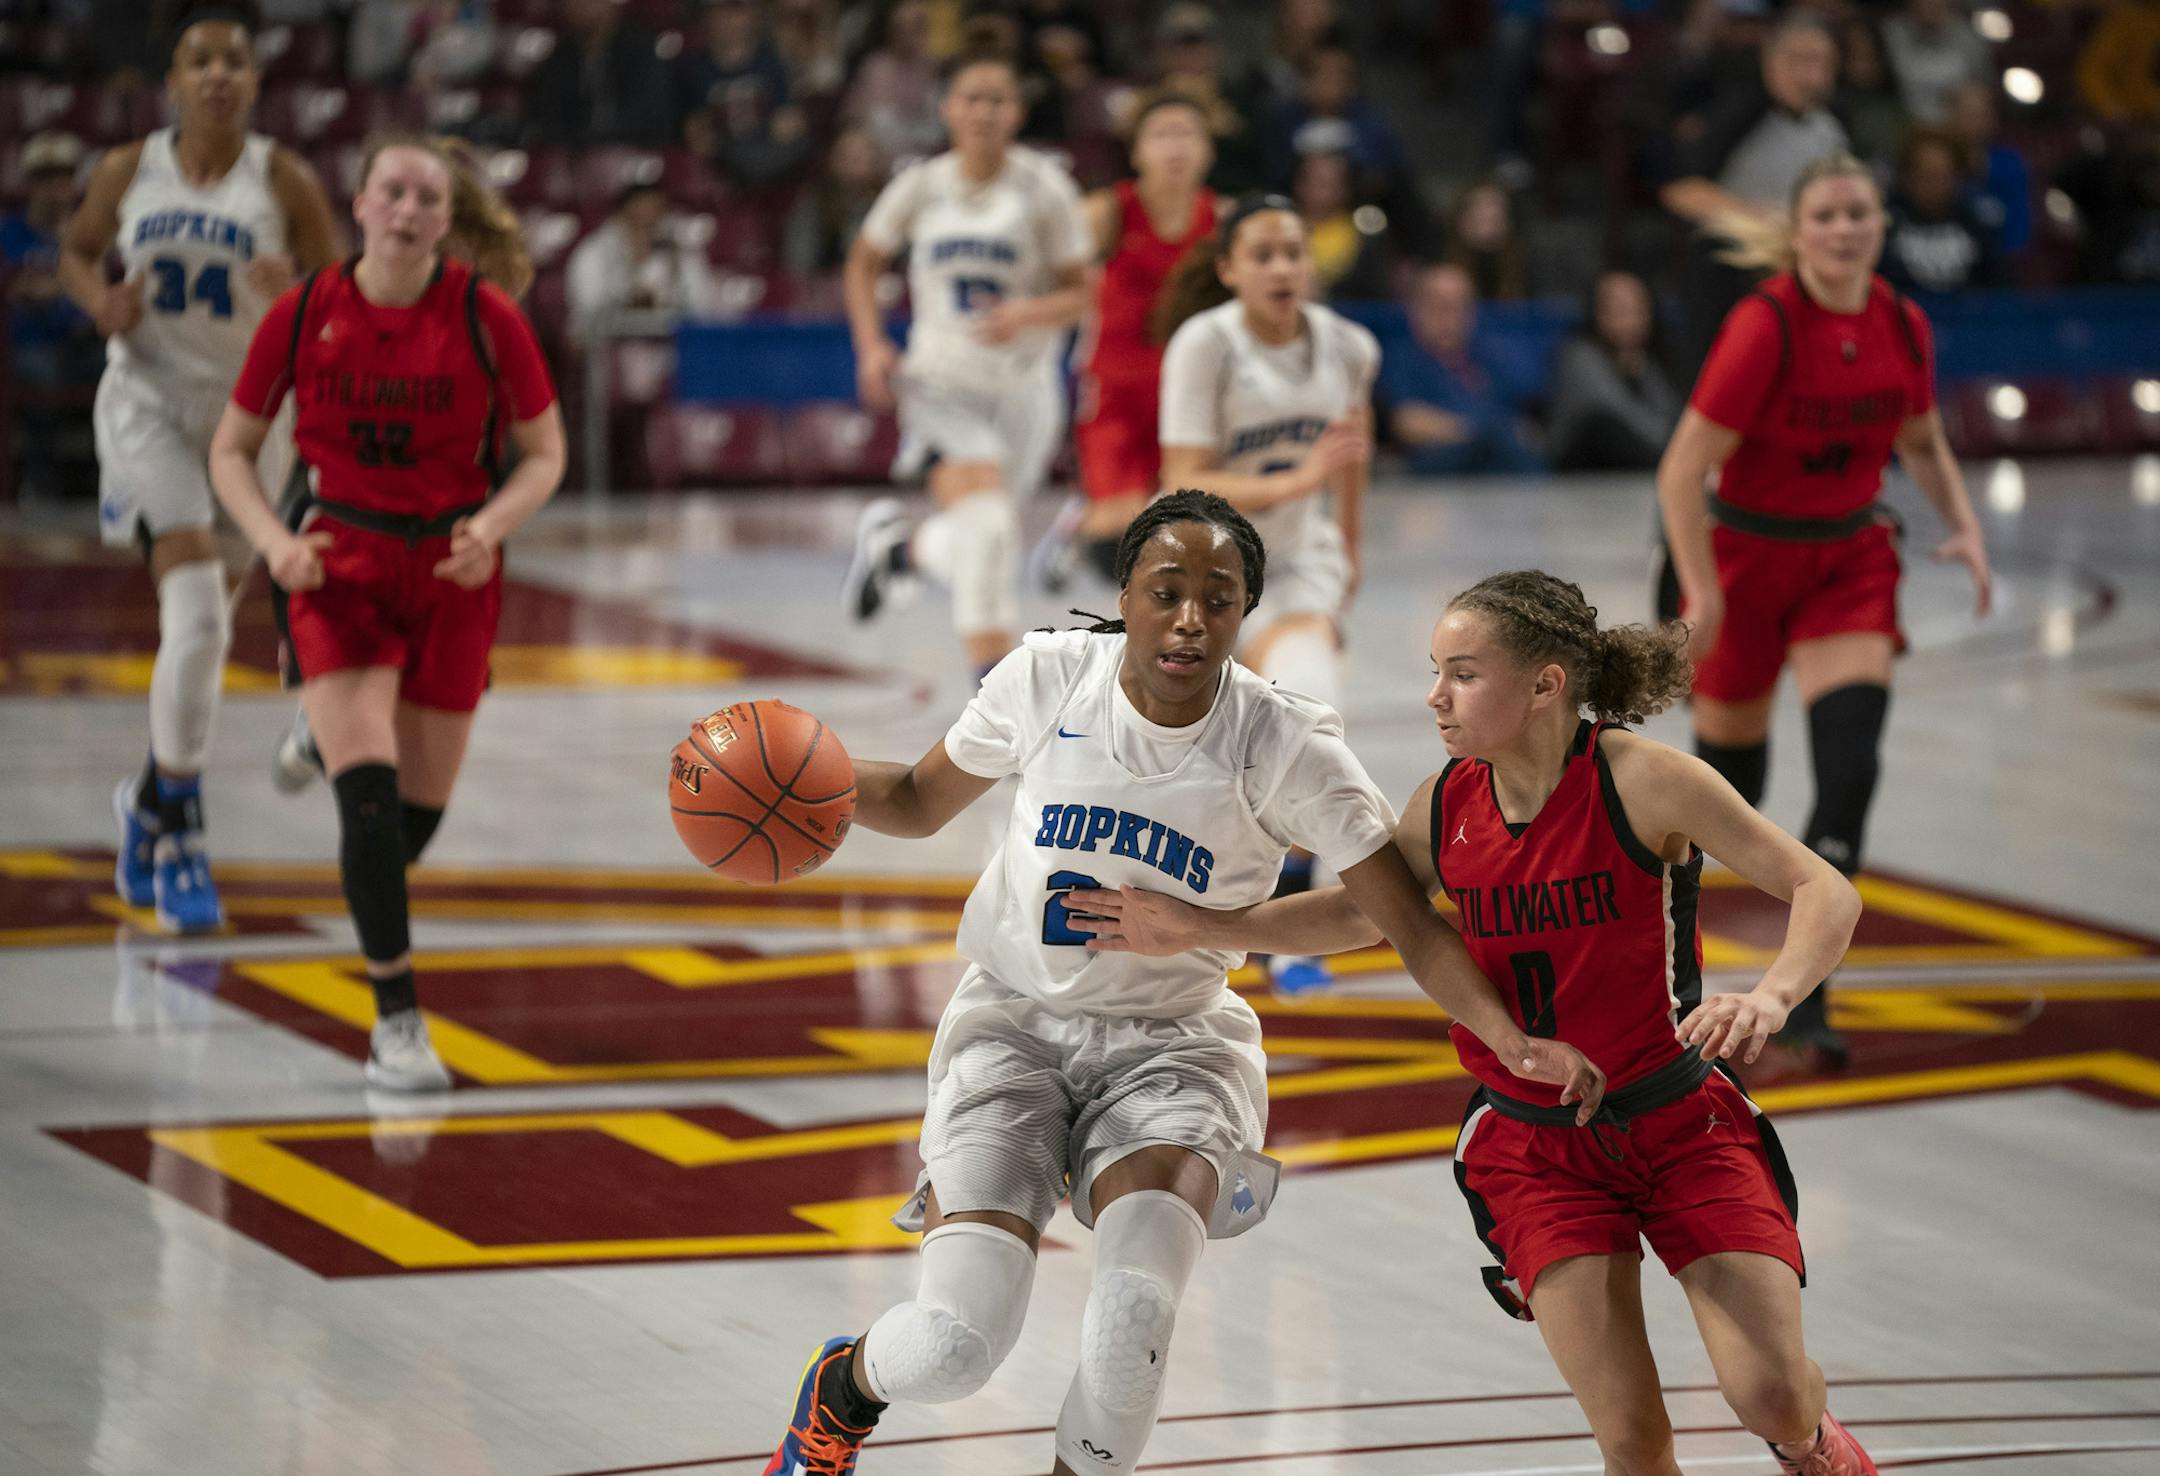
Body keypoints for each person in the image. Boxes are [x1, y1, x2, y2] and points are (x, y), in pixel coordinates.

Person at [763, 492, 1604, 1476]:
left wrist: (1509, 1039)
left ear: (1246, 609)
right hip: (1014, 1026)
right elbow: (913, 800)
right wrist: (788, 773)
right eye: (1167, 592)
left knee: (1131, 1325)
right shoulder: (1047, 676)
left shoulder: (1284, 741)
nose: (1192, 618)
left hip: (1175, 1046)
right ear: (1125, 595)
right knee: (953, 1345)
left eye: (1221, 596)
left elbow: (1401, 918)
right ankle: (844, 1388)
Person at [1070, 568, 1883, 1476]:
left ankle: (1811, 1445)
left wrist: (1771, 995)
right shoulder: (1445, 802)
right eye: (1435, 670)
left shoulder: (1648, 783)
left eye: (1463, 673)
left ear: (1547, 684)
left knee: (1765, 1390)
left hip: (1679, 1119)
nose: (1434, 696)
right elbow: (1360, 911)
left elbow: (1825, 887)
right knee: (1634, 1441)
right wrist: (1202, 926)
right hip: (1535, 1146)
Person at [207, 134, 565, 1091]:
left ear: (447, 222)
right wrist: (274, 548)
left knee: (409, 822)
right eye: (391, 192)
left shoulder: (485, 318)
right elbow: (231, 451)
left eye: (426, 199)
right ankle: (396, 1021)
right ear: (359, 203)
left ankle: (320, 742)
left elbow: (545, 454)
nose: (406, 211)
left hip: (452, 568)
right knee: (366, 803)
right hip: (339, 564)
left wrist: (492, 523)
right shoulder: (305, 313)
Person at [1657, 151, 1992, 1068]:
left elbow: (1921, 436)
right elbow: (1683, 467)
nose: (1845, 230)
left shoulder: (1902, 321)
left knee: (1848, 776)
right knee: (1733, 791)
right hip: (1746, 558)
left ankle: (1803, 996)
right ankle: (1671, 984)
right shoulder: (1765, 325)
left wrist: (1964, 525)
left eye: (1859, 214)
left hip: (1847, 559)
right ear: (1798, 232)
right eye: (1828, 216)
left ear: (1880, 225)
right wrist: (1705, 590)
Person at [56, 0, 341, 934]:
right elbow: (75, 252)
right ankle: (180, 826)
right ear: (173, 82)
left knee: (206, 630)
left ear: (257, 83)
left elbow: (341, 295)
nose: (218, 73)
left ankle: (147, 797)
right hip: (148, 409)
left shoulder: (283, 179)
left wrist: (296, 293)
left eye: (234, 61)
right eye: (200, 60)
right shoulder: (127, 169)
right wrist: (101, 303)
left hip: (254, 423)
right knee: (196, 623)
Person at [1154, 194, 1377, 994]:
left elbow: (1353, 451)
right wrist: (1297, 479)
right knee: (1201, 754)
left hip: (1295, 565)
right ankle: (1188, 903)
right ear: (1229, 270)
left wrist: (1346, 556)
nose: (1283, 267)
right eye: (1264, 254)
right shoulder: (1203, 346)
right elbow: (1179, 479)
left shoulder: (1349, 347)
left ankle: (1292, 922)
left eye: (1294, 252)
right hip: (1208, 565)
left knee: (1310, 708)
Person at [839, 53, 1093, 681]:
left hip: (1025, 389)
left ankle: (903, 549)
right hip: (940, 382)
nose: (983, 111)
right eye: (971, 97)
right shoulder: (921, 186)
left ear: (1018, 112)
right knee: (986, 527)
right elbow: (863, 263)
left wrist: (1027, 313)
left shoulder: (1045, 189)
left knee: (992, 539)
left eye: (997, 99)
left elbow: (1085, 292)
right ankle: (995, 689)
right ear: (948, 108)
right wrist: (872, 346)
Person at [1032, 92, 1217, 592]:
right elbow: (1050, 279)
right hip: (1115, 393)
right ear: (1137, 152)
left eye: (1186, 133)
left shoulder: (1223, 221)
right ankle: (1080, 523)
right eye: (1161, 134)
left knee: (1192, 528)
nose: (1174, 146)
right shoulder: (1107, 213)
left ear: (1207, 150)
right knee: (1120, 537)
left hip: (1190, 394)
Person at [3, 131, 101, 502]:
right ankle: (40, 481)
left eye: (63, 177)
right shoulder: (9, 231)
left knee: (114, 366)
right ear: (30, 184)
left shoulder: (86, 233)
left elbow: (98, 288)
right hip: (27, 345)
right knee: (40, 373)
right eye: (46, 178)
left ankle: (99, 479)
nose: (56, 188)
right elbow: (17, 290)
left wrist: (51, 287)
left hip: (78, 341)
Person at [1380, 262, 1545, 477]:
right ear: (1416, 310)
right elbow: (1407, 421)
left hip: (1498, 463)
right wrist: (1478, 433)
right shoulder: (1402, 358)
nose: (1450, 316)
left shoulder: (1487, 357)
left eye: (1459, 306)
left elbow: (1519, 419)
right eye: (1440, 305)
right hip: (1441, 466)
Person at [1546, 269, 1683, 473]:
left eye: (1637, 307)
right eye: (1619, 308)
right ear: (1597, 311)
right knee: (1604, 428)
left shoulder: (1648, 361)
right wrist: (1679, 456)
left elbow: (1670, 412)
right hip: (1578, 469)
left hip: (1637, 464)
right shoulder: (1580, 356)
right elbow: (1619, 414)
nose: (1630, 317)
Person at [564, 180, 720, 342]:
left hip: (670, 347)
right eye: (638, 219)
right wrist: (630, 288)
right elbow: (588, 315)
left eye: (656, 216)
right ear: (620, 217)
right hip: (608, 348)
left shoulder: (682, 254)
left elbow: (702, 310)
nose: (648, 226)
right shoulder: (592, 253)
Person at [1881, 126, 2007, 299]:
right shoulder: (1885, 226)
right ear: (1906, 177)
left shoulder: (1977, 225)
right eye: (1926, 175)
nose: (1935, 185)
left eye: (1944, 175)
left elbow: (1997, 287)